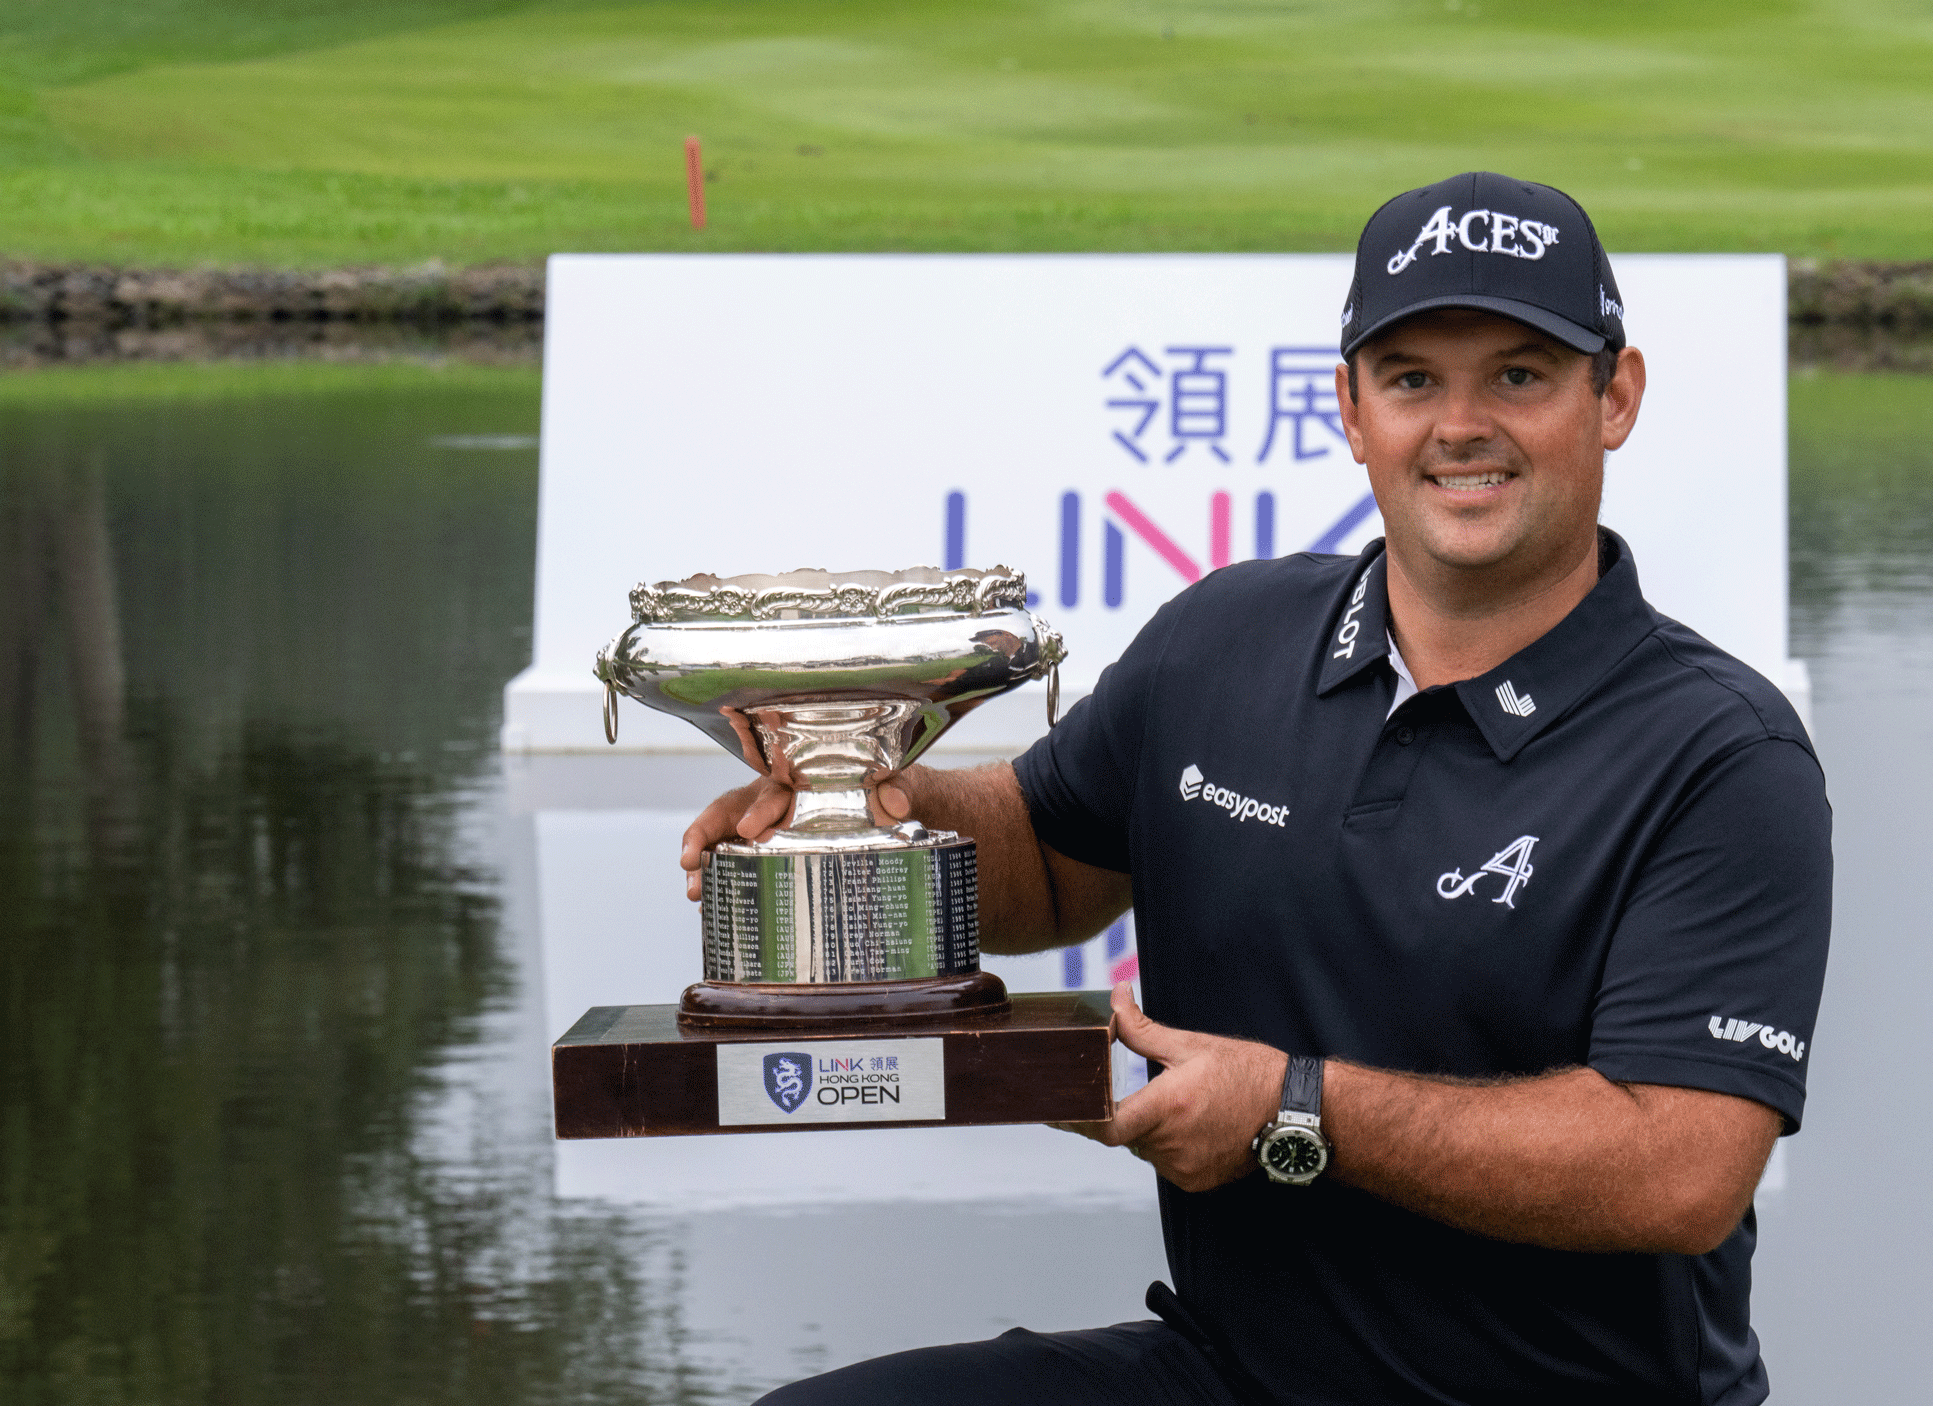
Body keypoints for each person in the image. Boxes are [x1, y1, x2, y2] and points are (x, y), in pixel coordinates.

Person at [688, 171, 1832, 1406]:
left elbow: (1679, 1167)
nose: (1460, 424)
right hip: (1233, 1374)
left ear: (1613, 397)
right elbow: (1048, 854)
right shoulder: (1225, 637)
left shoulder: (1719, 754)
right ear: (1349, 409)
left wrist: (1296, 1111)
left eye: (1518, 374)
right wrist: (867, 815)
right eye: (1410, 379)